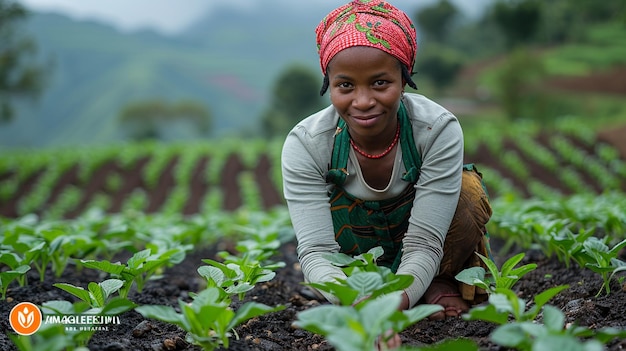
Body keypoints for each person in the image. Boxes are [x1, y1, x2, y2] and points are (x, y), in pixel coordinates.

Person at [281, 0, 492, 325]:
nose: (363, 101)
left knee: (468, 191)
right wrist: (357, 302)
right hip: (355, 269)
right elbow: (316, 252)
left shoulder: (436, 129)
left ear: (404, 79)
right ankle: (377, 289)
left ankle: (440, 280)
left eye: (380, 83)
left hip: (427, 251)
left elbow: (425, 241)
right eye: (345, 85)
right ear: (328, 84)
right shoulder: (306, 144)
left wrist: (397, 301)